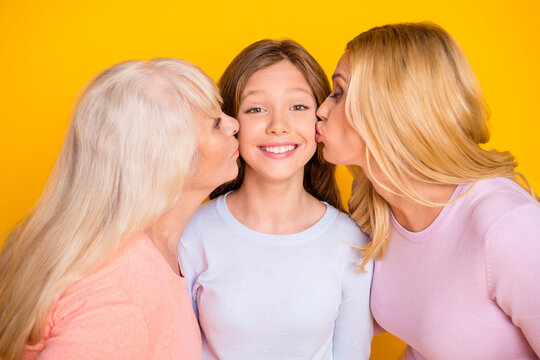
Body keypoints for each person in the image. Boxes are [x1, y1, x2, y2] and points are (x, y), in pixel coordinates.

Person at [315, 22, 540, 359]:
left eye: (339, 93)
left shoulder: (506, 225)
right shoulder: (374, 204)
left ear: (387, 106)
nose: (321, 109)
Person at [0, 58, 239, 360]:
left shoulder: (144, 253)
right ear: (168, 162)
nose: (234, 124)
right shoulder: (121, 290)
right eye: (216, 123)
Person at [178, 39, 373, 360]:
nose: (278, 126)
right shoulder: (192, 234)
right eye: (256, 109)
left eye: (298, 107)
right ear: (231, 123)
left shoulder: (350, 242)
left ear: (320, 119)